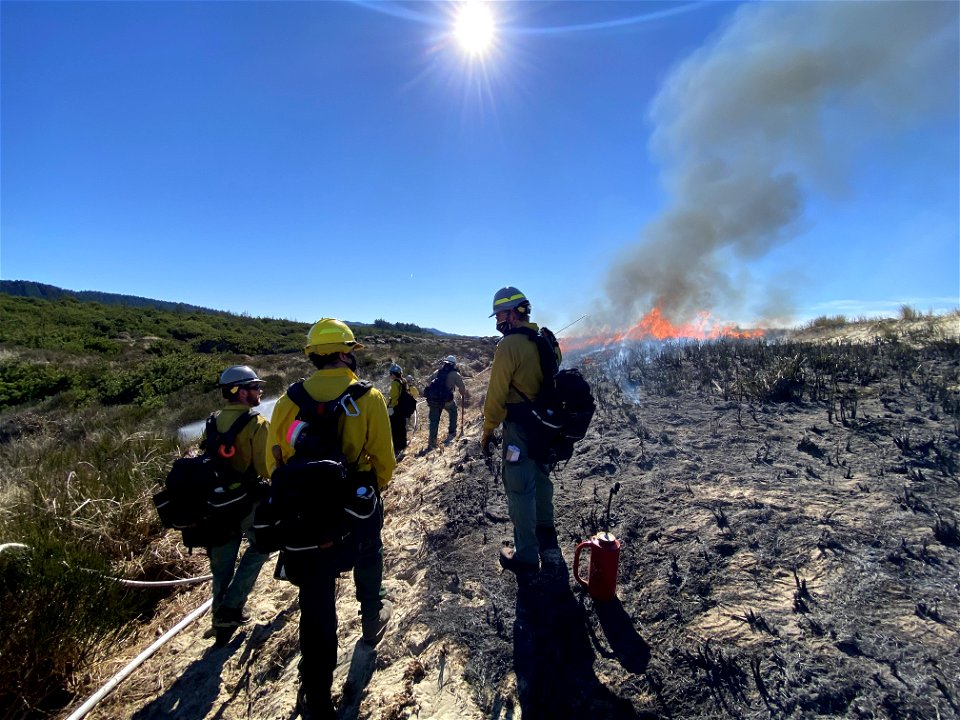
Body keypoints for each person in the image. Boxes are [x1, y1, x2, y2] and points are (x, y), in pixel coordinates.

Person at [266, 318, 395, 720]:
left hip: (306, 514)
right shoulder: (368, 396)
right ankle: (371, 619)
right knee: (369, 553)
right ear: (345, 352)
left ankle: (316, 694)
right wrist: (373, 491)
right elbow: (384, 462)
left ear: (314, 356)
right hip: (355, 505)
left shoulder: (288, 401)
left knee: (316, 602)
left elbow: (273, 459)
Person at [480, 287, 562, 576]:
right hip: (546, 424)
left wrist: (488, 430)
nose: (498, 322)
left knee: (519, 487)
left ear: (514, 313)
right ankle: (546, 532)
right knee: (541, 477)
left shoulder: (508, 346)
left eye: (501, 315)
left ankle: (526, 555)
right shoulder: (547, 339)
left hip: (519, 428)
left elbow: (496, 395)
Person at [207, 365, 271, 643]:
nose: (260, 392)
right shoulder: (256, 424)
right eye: (255, 387)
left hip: (215, 504)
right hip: (246, 502)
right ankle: (232, 606)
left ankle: (221, 622)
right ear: (241, 392)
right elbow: (267, 468)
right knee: (261, 547)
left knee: (221, 566)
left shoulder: (212, 422)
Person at [423, 355, 469, 451]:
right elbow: (462, 389)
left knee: (434, 421)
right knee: (453, 411)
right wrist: (462, 394)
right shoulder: (455, 374)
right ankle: (452, 432)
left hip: (434, 400)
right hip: (447, 400)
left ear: (445, 363)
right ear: (454, 364)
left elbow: (428, 381)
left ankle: (432, 442)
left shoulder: (437, 372)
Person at [387, 363, 409, 459]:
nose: (389, 375)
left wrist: (390, 407)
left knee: (394, 429)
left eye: (390, 373)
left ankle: (396, 449)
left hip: (396, 409)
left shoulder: (394, 383)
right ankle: (402, 446)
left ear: (393, 374)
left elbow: (394, 397)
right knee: (402, 427)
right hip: (403, 408)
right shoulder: (403, 382)